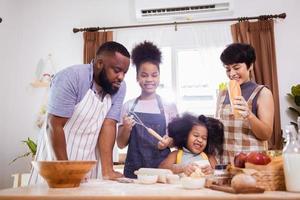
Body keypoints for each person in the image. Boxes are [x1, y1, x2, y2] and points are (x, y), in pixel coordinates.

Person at [29, 41, 130, 184]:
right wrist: (65, 169)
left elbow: (109, 125)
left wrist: (107, 171)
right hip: (56, 161)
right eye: (117, 70)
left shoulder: (119, 87)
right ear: (100, 63)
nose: (121, 77)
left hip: (88, 164)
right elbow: (54, 125)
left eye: (124, 73)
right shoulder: (71, 78)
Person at [117, 41, 178, 178]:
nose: (149, 79)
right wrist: (126, 128)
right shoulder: (128, 106)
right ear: (137, 77)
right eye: (144, 75)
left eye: (154, 75)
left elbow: (177, 142)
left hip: (161, 171)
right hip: (134, 172)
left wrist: (169, 142)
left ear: (159, 76)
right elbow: (120, 144)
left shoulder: (169, 106)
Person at [216, 43, 274, 164]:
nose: (232, 74)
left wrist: (249, 115)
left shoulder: (263, 93)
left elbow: (266, 134)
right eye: (228, 69)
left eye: (236, 68)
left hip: (251, 164)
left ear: (250, 65)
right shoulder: (222, 94)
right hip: (225, 163)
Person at [159, 113, 224, 176]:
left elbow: (220, 173)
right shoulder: (176, 154)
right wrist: (181, 168)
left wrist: (212, 171)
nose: (200, 140)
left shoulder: (208, 156)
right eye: (196, 135)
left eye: (204, 138)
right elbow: (162, 168)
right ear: (185, 136)